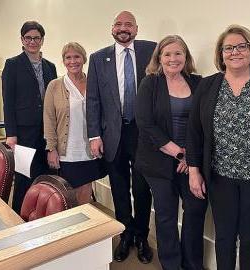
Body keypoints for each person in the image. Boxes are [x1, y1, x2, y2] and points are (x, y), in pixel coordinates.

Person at [186, 25, 250, 270]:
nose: (235, 52)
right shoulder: (208, 86)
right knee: (224, 237)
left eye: (242, 46)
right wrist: (193, 171)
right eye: (228, 48)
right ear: (221, 54)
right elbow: (194, 131)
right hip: (220, 178)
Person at [86, 11, 156, 264]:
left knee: (141, 187)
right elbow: (92, 101)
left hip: (143, 134)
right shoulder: (97, 58)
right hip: (113, 134)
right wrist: (94, 135)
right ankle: (125, 235)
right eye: (119, 24)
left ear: (136, 29)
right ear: (112, 28)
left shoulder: (153, 51)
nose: (123, 28)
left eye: (128, 24)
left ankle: (141, 236)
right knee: (119, 188)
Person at [135, 35, 207, 270]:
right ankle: (172, 265)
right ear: (159, 58)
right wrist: (179, 153)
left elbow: (205, 123)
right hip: (158, 162)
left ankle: (192, 264)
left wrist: (191, 156)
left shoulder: (198, 83)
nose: (173, 58)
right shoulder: (150, 83)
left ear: (186, 57)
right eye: (167, 54)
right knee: (166, 215)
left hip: (192, 162)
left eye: (178, 53)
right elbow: (145, 124)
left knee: (195, 211)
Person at [2, 21, 57, 213]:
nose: (32, 41)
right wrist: (11, 134)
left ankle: (42, 216)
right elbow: (7, 102)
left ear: (42, 40)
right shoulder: (12, 64)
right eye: (28, 38)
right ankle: (18, 217)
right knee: (24, 176)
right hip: (24, 133)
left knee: (44, 176)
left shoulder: (50, 67)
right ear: (22, 40)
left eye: (36, 38)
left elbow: (53, 101)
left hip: (47, 131)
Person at [43, 42, 105, 204]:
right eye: (68, 57)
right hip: (67, 151)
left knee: (85, 192)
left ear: (84, 59)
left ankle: (83, 227)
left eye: (77, 56)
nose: (73, 61)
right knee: (68, 195)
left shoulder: (94, 82)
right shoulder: (55, 86)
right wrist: (51, 148)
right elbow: (48, 119)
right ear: (63, 61)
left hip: (90, 149)